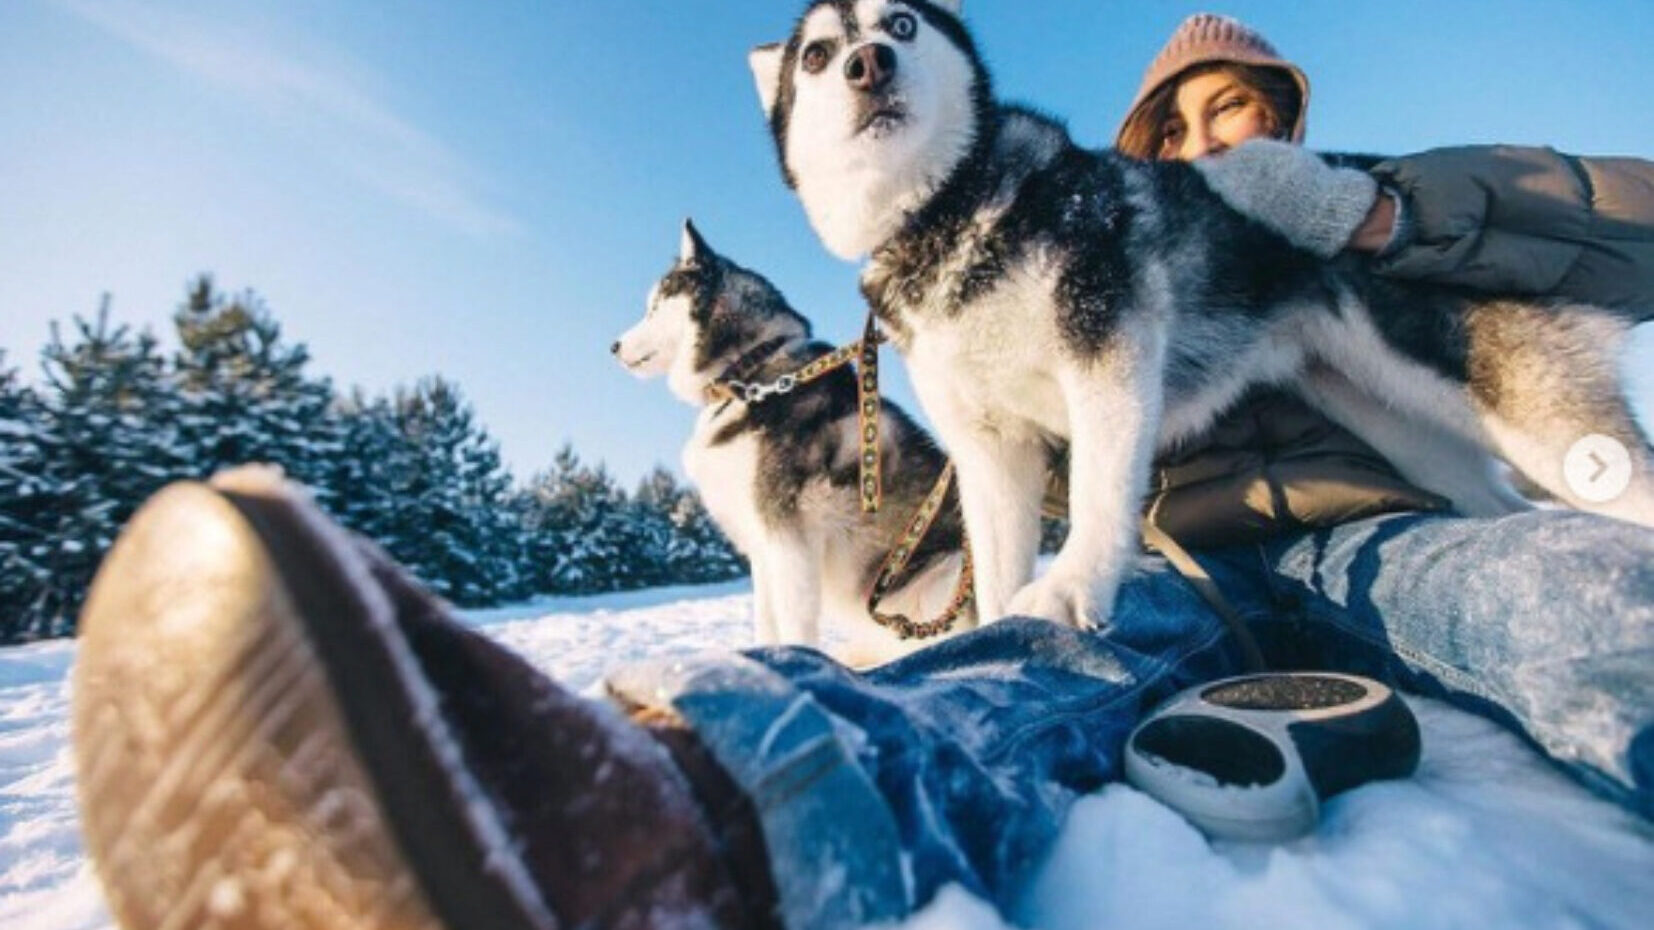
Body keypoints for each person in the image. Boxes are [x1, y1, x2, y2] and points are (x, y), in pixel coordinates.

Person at [70, 14, 1654, 930]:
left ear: (1290, 118)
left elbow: (1609, 227)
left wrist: (1382, 212)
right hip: (1178, 571)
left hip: (1377, 534)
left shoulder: (1361, 208)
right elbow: (1007, 449)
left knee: (1563, 597)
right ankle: (650, 831)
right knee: (1008, 679)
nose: (1211, 143)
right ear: (1136, 149)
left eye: (1239, 113)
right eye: (1179, 125)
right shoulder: (1090, 230)